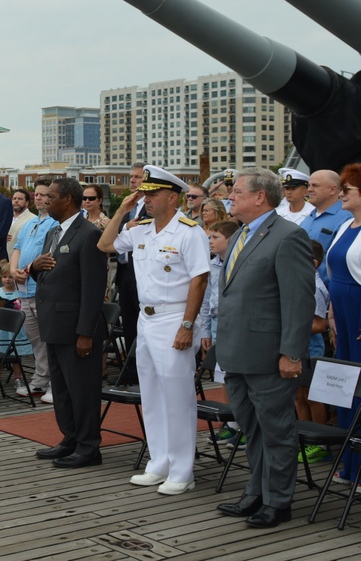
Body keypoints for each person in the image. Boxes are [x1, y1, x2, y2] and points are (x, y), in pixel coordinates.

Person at [99, 165, 211, 495]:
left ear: (172, 197)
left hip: (174, 318)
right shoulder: (141, 230)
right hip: (145, 321)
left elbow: (200, 279)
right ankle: (158, 462)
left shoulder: (190, 232)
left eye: (153, 194)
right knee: (151, 395)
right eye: (144, 194)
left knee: (177, 398)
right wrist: (121, 208)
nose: (146, 199)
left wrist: (187, 325)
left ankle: (182, 469)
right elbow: (105, 246)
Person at [215, 168, 314, 529]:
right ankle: (256, 492)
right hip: (238, 351)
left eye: (237, 192)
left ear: (259, 197)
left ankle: (278, 501)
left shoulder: (289, 236)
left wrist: (291, 353)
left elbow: (298, 300)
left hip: (270, 355)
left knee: (276, 430)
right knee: (251, 429)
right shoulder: (242, 233)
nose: (231, 198)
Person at [31, 177, 108, 469]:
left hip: (76, 328)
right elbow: (50, 272)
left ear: (68, 199)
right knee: (62, 389)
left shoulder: (88, 234)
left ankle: (89, 447)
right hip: (54, 324)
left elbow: (93, 288)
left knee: (82, 390)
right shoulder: (54, 233)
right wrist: (33, 268)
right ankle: (70, 438)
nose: (46, 201)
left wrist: (85, 333)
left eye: (51, 197)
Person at [327, 163, 361, 487]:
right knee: (348, 387)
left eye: (347, 190)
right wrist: (332, 313)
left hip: (360, 314)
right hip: (343, 314)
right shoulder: (345, 226)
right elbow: (333, 273)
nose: (342, 195)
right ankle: (350, 466)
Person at [10, 178, 58, 401]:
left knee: (51, 338)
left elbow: (50, 255)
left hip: (43, 289)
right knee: (36, 340)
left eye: (43, 194)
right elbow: (17, 248)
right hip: (24, 289)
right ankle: (41, 379)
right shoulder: (30, 223)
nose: (38, 197)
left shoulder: (55, 223)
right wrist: (13, 270)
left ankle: (56, 383)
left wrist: (28, 269)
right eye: (36, 194)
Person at [198, 220, 240, 442]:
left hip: (235, 325)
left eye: (215, 238)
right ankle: (231, 424)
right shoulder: (212, 265)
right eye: (209, 237)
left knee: (238, 377)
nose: (210, 242)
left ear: (230, 239)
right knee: (223, 377)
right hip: (216, 324)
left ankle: (243, 424)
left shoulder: (239, 263)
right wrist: (205, 331)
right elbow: (205, 302)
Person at [295, 240, 331, 464]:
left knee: (313, 397)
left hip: (312, 351)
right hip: (298, 350)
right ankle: (305, 438)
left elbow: (319, 325)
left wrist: (292, 325)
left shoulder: (315, 287)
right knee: (299, 396)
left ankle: (320, 443)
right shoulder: (300, 284)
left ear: (314, 263)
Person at [112, 163, 147, 386]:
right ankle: (131, 369)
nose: (132, 181)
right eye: (130, 177)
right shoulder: (127, 207)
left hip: (142, 275)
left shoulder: (149, 208)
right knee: (129, 324)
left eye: (137, 177)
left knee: (143, 324)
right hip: (125, 273)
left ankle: (143, 370)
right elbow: (115, 234)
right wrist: (125, 227)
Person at [0, 260, 30, 396]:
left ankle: (18, 378)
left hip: (15, 330)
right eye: (4, 277)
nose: (7, 279)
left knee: (16, 355)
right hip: (0, 330)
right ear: (0, 278)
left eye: (10, 276)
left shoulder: (21, 293)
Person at [300, 169, 352, 290]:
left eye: (315, 185)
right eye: (309, 185)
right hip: (305, 289)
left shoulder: (347, 219)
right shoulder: (307, 219)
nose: (309, 190)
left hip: (330, 292)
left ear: (333, 189)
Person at [7, 188, 36, 258]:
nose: (16, 201)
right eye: (14, 199)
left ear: (27, 203)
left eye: (20, 199)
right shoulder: (6, 217)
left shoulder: (33, 219)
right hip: (3, 261)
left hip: (20, 260)